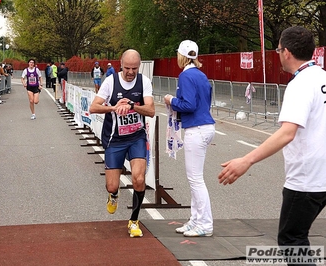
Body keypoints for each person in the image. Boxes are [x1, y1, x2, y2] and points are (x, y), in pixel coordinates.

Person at [218, 26, 326, 264]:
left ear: (286, 52)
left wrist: (246, 160)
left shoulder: (300, 85)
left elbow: (287, 133)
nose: (278, 54)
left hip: (307, 178)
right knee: (297, 237)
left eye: (278, 49)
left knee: (291, 240)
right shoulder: (323, 77)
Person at [89, 49, 155, 238]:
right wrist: (115, 108)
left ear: (139, 66)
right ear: (121, 64)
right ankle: (114, 195)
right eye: (127, 68)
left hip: (136, 137)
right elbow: (94, 107)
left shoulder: (144, 82)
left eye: (134, 68)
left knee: (139, 179)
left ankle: (134, 221)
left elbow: (150, 111)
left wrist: (133, 106)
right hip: (114, 139)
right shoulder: (111, 81)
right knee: (111, 185)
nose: (130, 72)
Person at [163, 40, 215, 237]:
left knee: (195, 179)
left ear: (181, 56)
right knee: (195, 178)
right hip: (205, 125)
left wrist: (171, 100)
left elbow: (188, 105)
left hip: (197, 128)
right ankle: (196, 220)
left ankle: (205, 223)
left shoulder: (185, 76)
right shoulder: (201, 75)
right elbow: (204, 101)